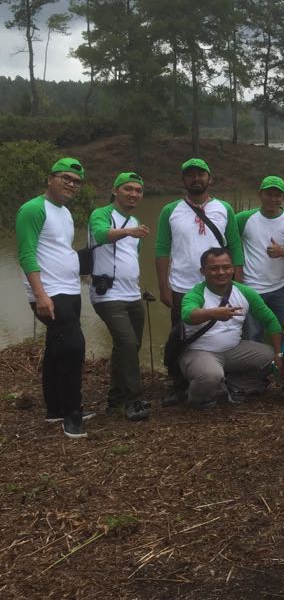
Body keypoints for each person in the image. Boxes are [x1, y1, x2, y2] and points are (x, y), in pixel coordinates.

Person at [156, 158, 243, 403]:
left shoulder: (224, 208)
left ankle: (219, 380)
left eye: (200, 174)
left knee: (223, 331)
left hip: (219, 285)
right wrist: (163, 286)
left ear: (209, 178)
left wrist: (240, 282)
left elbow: (235, 246)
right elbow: (162, 249)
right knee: (181, 335)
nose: (196, 179)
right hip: (182, 286)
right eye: (191, 175)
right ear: (183, 180)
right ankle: (180, 383)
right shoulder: (169, 211)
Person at [16, 157, 90, 437]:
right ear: (50, 178)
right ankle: (72, 413)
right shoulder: (33, 209)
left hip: (69, 290)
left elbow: (59, 249)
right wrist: (39, 295)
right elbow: (26, 253)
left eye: (76, 181)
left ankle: (55, 409)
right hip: (50, 293)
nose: (71, 184)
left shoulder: (65, 212)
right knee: (74, 348)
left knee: (57, 349)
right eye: (66, 178)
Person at [178, 247, 284, 408]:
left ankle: (235, 385)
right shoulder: (196, 294)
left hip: (233, 350)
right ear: (203, 271)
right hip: (199, 351)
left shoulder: (244, 292)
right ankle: (195, 398)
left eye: (226, 267)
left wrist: (279, 353)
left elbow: (270, 321)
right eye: (214, 268)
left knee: (269, 356)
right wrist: (213, 313)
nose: (221, 272)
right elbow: (187, 314)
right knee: (211, 375)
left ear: (232, 268)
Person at [88, 171, 150, 421]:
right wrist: (128, 232)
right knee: (126, 344)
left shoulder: (135, 220)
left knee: (129, 346)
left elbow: (132, 259)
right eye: (128, 189)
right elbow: (102, 234)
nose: (133, 194)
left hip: (132, 293)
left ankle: (115, 397)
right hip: (107, 295)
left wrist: (140, 286)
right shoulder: (102, 214)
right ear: (115, 191)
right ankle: (133, 400)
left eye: (138, 190)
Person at [236, 176, 284, 342]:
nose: (273, 199)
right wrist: (236, 276)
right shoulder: (243, 218)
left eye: (278, 195)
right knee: (253, 335)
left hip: (281, 287)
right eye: (269, 194)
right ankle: (257, 367)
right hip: (251, 288)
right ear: (260, 194)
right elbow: (230, 243)